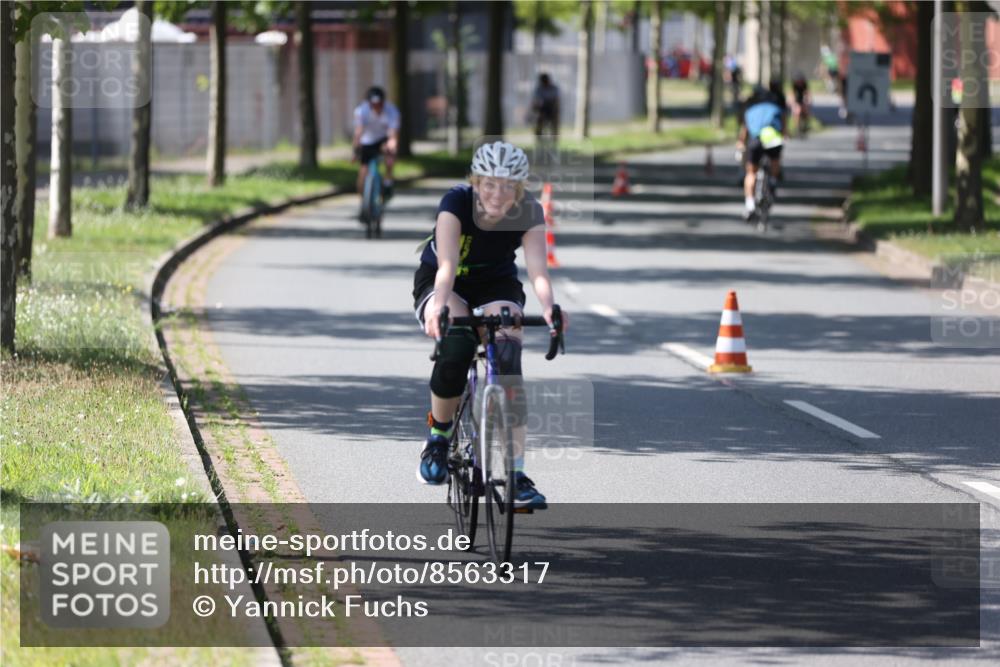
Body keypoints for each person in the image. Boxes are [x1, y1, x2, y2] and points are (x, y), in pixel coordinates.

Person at [412, 141, 567, 509]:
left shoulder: (529, 210)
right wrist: (438, 311)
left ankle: (516, 474)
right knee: (457, 344)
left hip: (496, 284)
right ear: (476, 182)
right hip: (445, 280)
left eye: (508, 186)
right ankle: (438, 439)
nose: (498, 195)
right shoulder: (455, 204)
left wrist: (549, 308)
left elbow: (538, 271)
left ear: (520, 188)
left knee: (509, 359)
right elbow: (446, 267)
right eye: (490, 184)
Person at [737, 85, 784, 222]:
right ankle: (773, 182)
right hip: (772, 139)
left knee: (751, 172)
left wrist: (740, 142)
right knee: (775, 161)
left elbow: (745, 130)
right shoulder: (776, 108)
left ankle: (750, 204)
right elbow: (783, 127)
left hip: (755, 141)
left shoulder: (750, 110)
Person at [352, 86, 399, 208]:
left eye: (379, 104)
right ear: (369, 103)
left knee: (390, 154)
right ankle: (364, 203)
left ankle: (388, 182)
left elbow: (392, 132)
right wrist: (355, 150)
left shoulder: (392, 111)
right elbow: (358, 131)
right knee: (363, 172)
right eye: (374, 104)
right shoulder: (361, 111)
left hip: (383, 139)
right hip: (367, 141)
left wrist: (392, 143)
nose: (377, 107)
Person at [531, 73, 560, 140]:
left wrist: (556, 111)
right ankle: (538, 138)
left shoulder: (554, 88)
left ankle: (554, 138)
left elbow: (557, 101)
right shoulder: (539, 89)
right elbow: (536, 101)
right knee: (539, 121)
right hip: (542, 109)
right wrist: (536, 109)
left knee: (554, 124)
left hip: (552, 109)